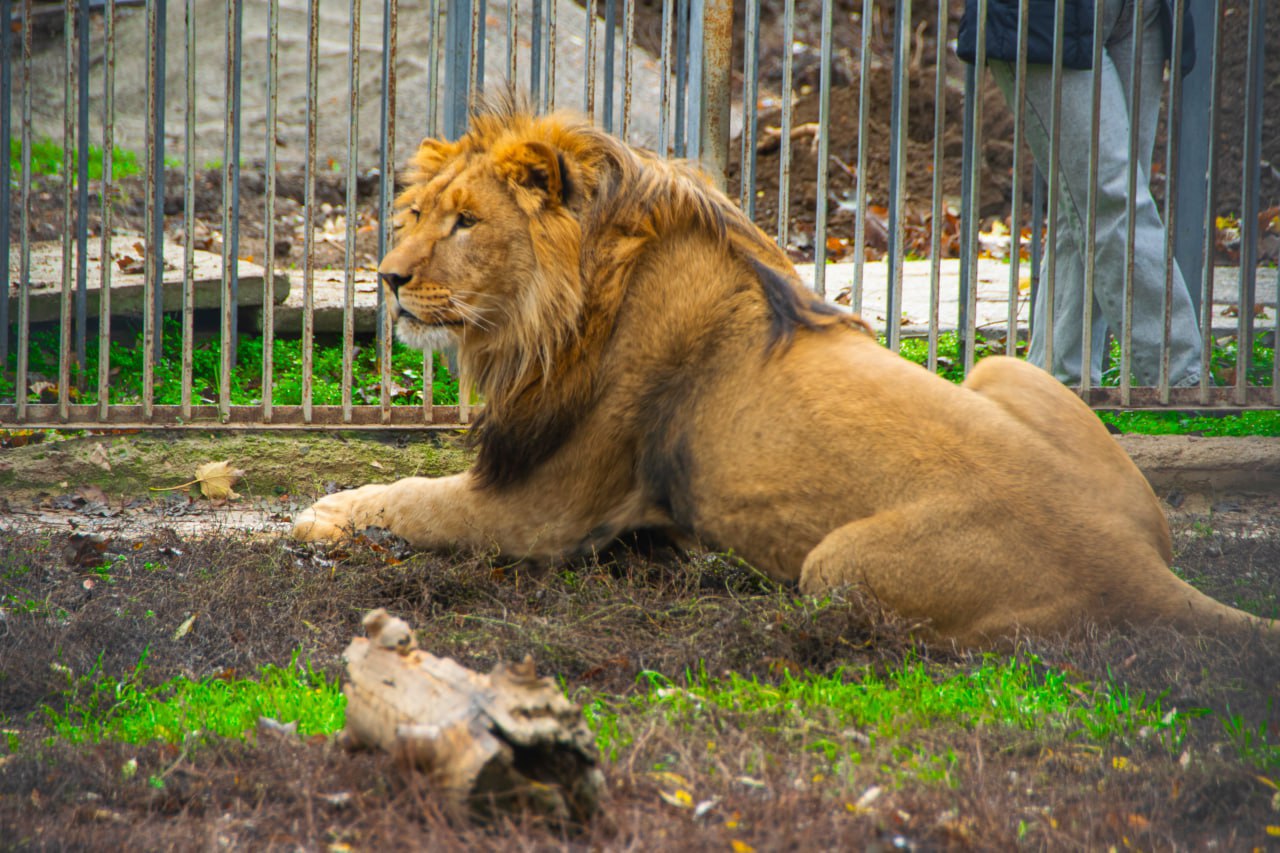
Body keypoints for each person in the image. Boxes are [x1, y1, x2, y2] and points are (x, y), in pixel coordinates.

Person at [957, 0, 1204, 388]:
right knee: (1112, 198)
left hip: (1145, 12)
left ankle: (1056, 385)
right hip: (1045, 14)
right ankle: (1183, 375)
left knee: (1085, 205)